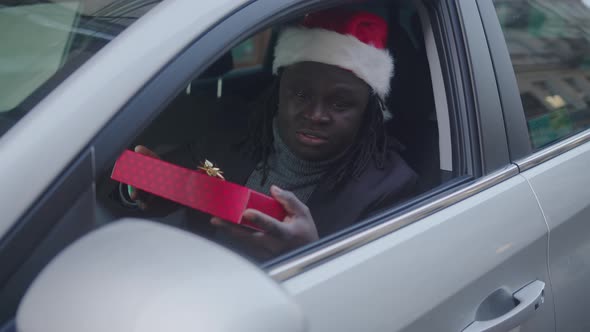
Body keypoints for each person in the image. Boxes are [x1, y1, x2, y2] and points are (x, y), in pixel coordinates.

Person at [124, 9, 418, 259]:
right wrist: (152, 199)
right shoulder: (227, 138)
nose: (316, 115)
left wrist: (311, 254)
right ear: (279, 92)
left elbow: (372, 302)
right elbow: (144, 197)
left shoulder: (390, 189)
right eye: (301, 95)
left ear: (367, 112)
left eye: (341, 103)